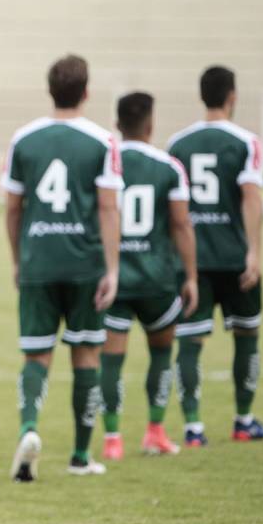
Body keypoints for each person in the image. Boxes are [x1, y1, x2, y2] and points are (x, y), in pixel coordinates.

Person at [2, 54, 123, 480]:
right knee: (86, 353)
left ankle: (29, 429)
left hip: (38, 260)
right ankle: (80, 455)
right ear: (86, 91)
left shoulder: (24, 139)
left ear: (50, 90)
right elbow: (108, 208)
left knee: (36, 354)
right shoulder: (103, 141)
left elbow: (13, 208)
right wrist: (112, 269)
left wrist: (18, 259)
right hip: (84, 264)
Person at [167, 66, 263, 446]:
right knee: (247, 334)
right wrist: (254, 252)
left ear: (201, 95)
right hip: (235, 258)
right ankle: (243, 420)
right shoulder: (246, 142)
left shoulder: (178, 144)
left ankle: (193, 428)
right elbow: (251, 198)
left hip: (193, 261)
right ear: (232, 96)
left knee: (190, 342)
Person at [98, 92, 198, 461]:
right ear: (151, 124)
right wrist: (191, 275)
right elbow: (181, 224)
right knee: (161, 353)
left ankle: (112, 439)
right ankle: (155, 432)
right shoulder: (169, 167)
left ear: (117, 124)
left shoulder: (104, 163)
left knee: (111, 360)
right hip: (156, 279)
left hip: (115, 279)